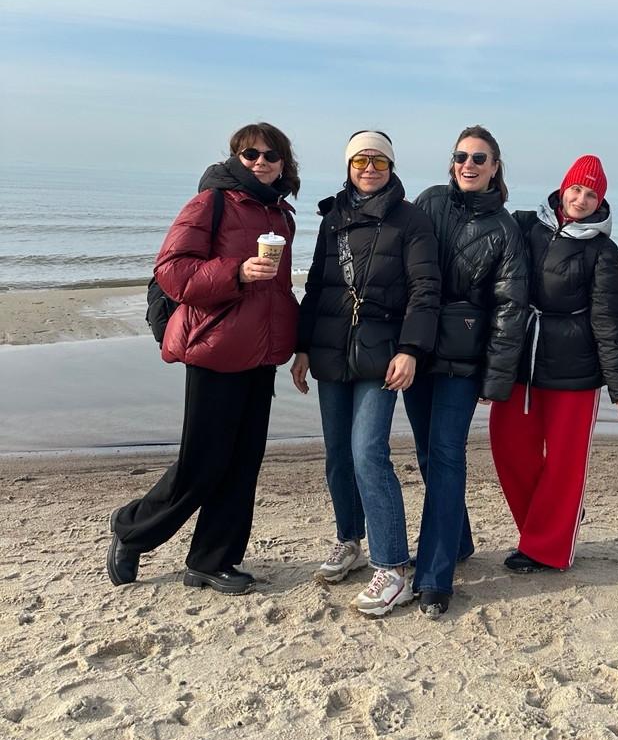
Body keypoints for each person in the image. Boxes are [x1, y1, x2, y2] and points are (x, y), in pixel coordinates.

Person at [107, 123, 301, 594]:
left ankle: (212, 560)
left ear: (283, 164)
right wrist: (237, 271)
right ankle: (131, 529)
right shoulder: (211, 202)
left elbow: (278, 290)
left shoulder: (281, 215)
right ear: (236, 157)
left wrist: (296, 341)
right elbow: (172, 271)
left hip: (262, 355)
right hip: (216, 349)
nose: (260, 162)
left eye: (270, 155)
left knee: (243, 464)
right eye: (250, 154)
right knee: (202, 463)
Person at [291, 131, 440, 618]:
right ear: (349, 166)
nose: (369, 168)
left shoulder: (411, 219)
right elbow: (317, 285)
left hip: (381, 351)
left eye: (379, 160)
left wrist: (411, 349)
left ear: (391, 166)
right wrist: (302, 347)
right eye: (360, 160)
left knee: (367, 453)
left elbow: (425, 289)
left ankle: (392, 567)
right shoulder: (332, 217)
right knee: (337, 453)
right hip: (330, 348)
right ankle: (349, 539)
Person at [489, 155, 618, 573]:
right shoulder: (526, 225)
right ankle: (557, 519)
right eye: (576, 189)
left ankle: (546, 547)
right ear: (563, 189)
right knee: (508, 444)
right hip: (520, 358)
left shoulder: (603, 251)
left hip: (576, 368)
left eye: (591, 194)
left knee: (565, 461)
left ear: (601, 202)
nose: (581, 199)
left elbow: (609, 321)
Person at [404, 126, 528, 617]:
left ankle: (435, 576)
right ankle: (459, 541)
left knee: (447, 454)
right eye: (461, 156)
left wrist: (495, 379)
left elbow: (510, 310)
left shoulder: (505, 229)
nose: (468, 164)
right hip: (416, 349)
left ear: (495, 167)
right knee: (426, 451)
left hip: (463, 358)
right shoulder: (430, 201)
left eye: (479, 158)